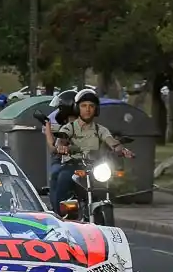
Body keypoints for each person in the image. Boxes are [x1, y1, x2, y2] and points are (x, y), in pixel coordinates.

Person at [50, 89, 134, 217]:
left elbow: (111, 141)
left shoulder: (100, 129)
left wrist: (121, 149)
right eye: (84, 106)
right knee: (63, 178)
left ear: (96, 110)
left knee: (105, 184)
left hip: (94, 166)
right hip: (73, 165)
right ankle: (59, 215)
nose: (88, 109)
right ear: (78, 108)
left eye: (91, 106)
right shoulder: (69, 127)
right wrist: (62, 147)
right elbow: (62, 139)